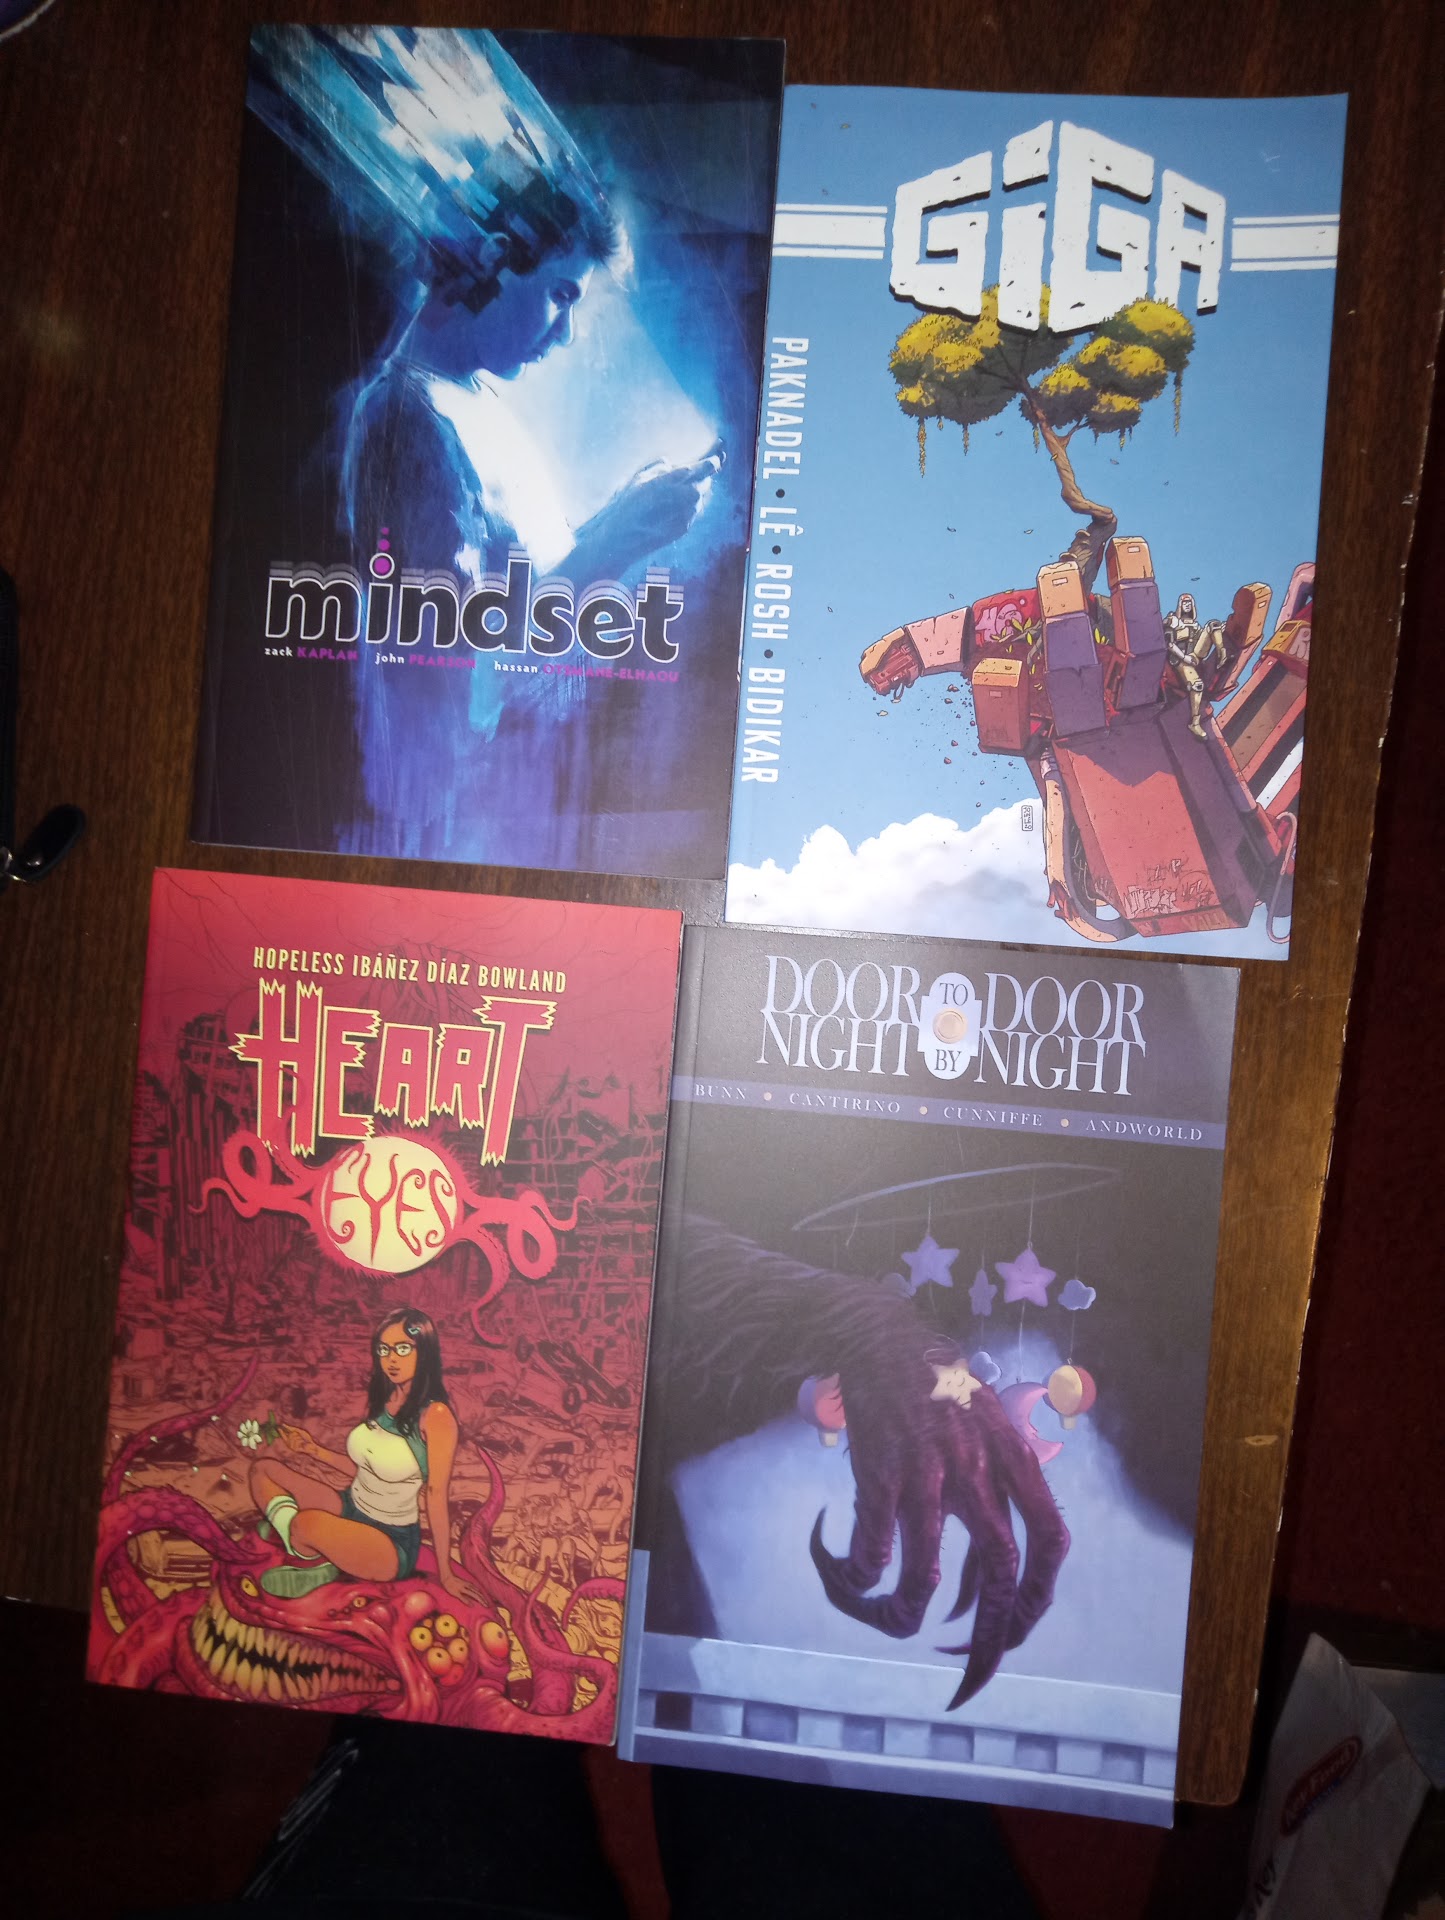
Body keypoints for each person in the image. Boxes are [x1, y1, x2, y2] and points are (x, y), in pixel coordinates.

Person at [248, 1306, 479, 1603]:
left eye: (402, 1349)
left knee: (305, 1524)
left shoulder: (436, 1416)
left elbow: (435, 1496)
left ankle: (313, 1557)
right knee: (263, 1470)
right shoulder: (386, 1396)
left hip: (390, 1539)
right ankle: (311, 1549)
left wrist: (446, 1574)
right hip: (351, 1506)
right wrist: (312, 1450)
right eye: (384, 1350)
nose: (391, 1359)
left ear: (424, 1351)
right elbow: (365, 1469)